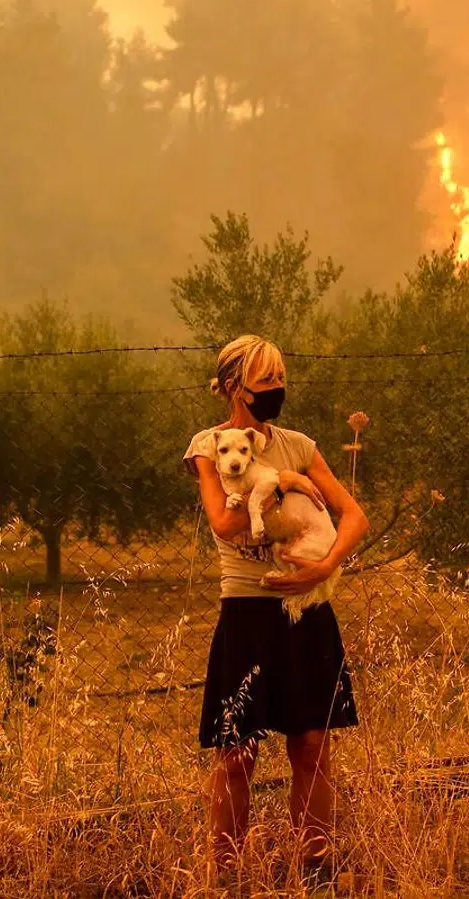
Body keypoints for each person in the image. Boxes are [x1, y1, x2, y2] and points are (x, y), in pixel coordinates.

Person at [183, 334, 369, 880]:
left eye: (281, 380)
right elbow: (224, 521)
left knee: (312, 745)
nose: (277, 391)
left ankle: (316, 870)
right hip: (246, 610)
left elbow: (353, 516)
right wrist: (286, 483)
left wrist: (326, 565)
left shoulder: (300, 444)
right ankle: (229, 875)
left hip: (308, 608)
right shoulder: (209, 446)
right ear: (235, 386)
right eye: (267, 382)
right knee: (236, 754)